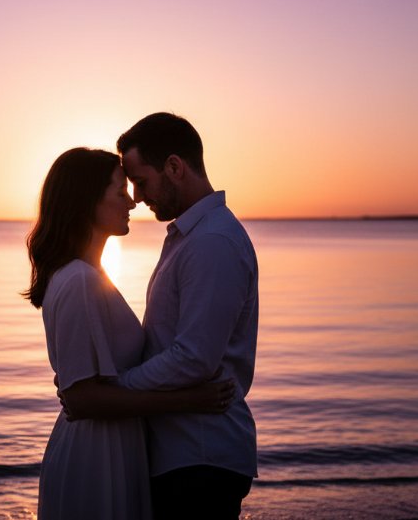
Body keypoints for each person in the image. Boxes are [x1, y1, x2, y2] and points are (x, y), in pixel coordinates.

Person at [24, 147, 236, 520]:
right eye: (120, 190)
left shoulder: (89, 276)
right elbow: (83, 399)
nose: (132, 201)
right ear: (87, 201)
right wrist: (189, 400)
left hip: (116, 445)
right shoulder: (78, 281)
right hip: (96, 454)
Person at [103, 112, 260, 519]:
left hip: (200, 458)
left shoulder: (212, 242)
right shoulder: (192, 237)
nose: (137, 197)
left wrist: (115, 388)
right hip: (186, 456)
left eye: (141, 181)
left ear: (174, 167)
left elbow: (193, 357)